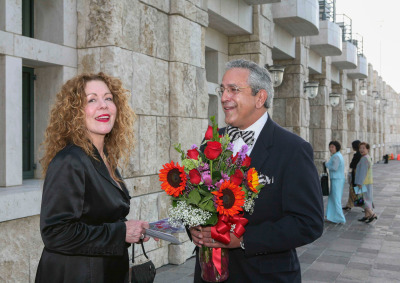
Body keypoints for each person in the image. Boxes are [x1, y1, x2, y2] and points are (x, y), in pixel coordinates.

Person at [190, 59, 324, 282]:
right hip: (208, 274)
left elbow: (308, 223)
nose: (224, 98)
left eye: (234, 90)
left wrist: (242, 239)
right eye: (222, 89)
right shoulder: (212, 141)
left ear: (260, 97)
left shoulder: (293, 149)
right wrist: (193, 227)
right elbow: (195, 199)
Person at [35, 73, 151, 283]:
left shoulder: (104, 157)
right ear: (74, 112)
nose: (103, 105)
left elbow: (98, 217)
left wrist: (131, 229)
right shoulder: (70, 160)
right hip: (76, 274)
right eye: (92, 100)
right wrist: (120, 232)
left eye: (108, 98)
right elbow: (55, 232)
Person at [324, 141, 346, 224]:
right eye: (330, 146)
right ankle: (331, 216)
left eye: (332, 147)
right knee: (332, 198)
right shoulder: (337, 155)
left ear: (336, 147)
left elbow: (334, 167)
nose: (330, 148)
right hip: (337, 179)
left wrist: (326, 164)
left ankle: (340, 218)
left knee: (336, 199)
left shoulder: (336, 156)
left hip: (337, 179)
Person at [355, 142, 377, 223]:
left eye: (363, 148)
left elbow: (363, 172)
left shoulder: (364, 158)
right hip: (368, 182)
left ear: (367, 149)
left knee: (363, 199)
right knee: (366, 198)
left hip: (363, 183)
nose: (361, 150)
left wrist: (359, 183)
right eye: (360, 148)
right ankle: (366, 215)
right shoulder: (367, 157)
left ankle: (372, 214)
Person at [343, 140, 362, 211]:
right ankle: (349, 204)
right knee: (355, 190)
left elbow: (352, 165)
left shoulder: (357, 155)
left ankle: (366, 207)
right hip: (359, 174)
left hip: (356, 174)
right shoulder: (361, 154)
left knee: (355, 190)